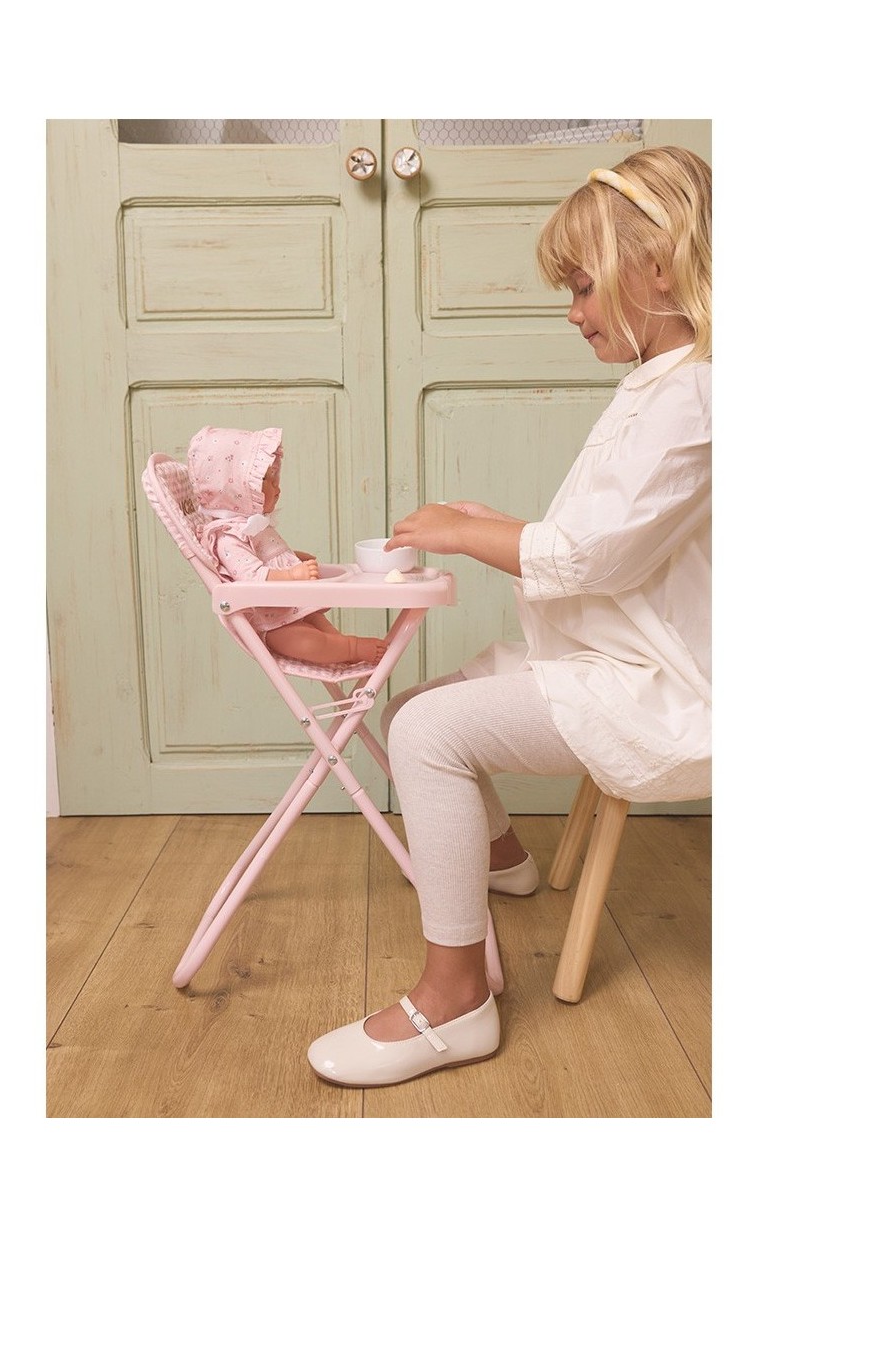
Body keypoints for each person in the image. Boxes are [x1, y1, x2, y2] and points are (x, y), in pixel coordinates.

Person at [306, 145, 713, 1087]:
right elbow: (605, 536)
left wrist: (466, 533)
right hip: (607, 656)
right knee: (424, 704)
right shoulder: (662, 386)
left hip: (652, 685)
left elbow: (587, 556)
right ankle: (498, 863)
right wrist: (498, 524)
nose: (571, 311)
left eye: (582, 286)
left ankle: (456, 999)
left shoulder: (694, 394)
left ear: (657, 267)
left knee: (430, 733)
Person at [188, 424, 387, 668]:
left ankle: (341, 646)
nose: (278, 488)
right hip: (272, 622)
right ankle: (351, 648)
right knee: (306, 642)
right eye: (266, 480)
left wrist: (294, 557)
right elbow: (251, 577)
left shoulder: (252, 525)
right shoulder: (228, 537)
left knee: (319, 623)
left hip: (292, 606)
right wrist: (292, 575)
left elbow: (268, 556)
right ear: (236, 490)